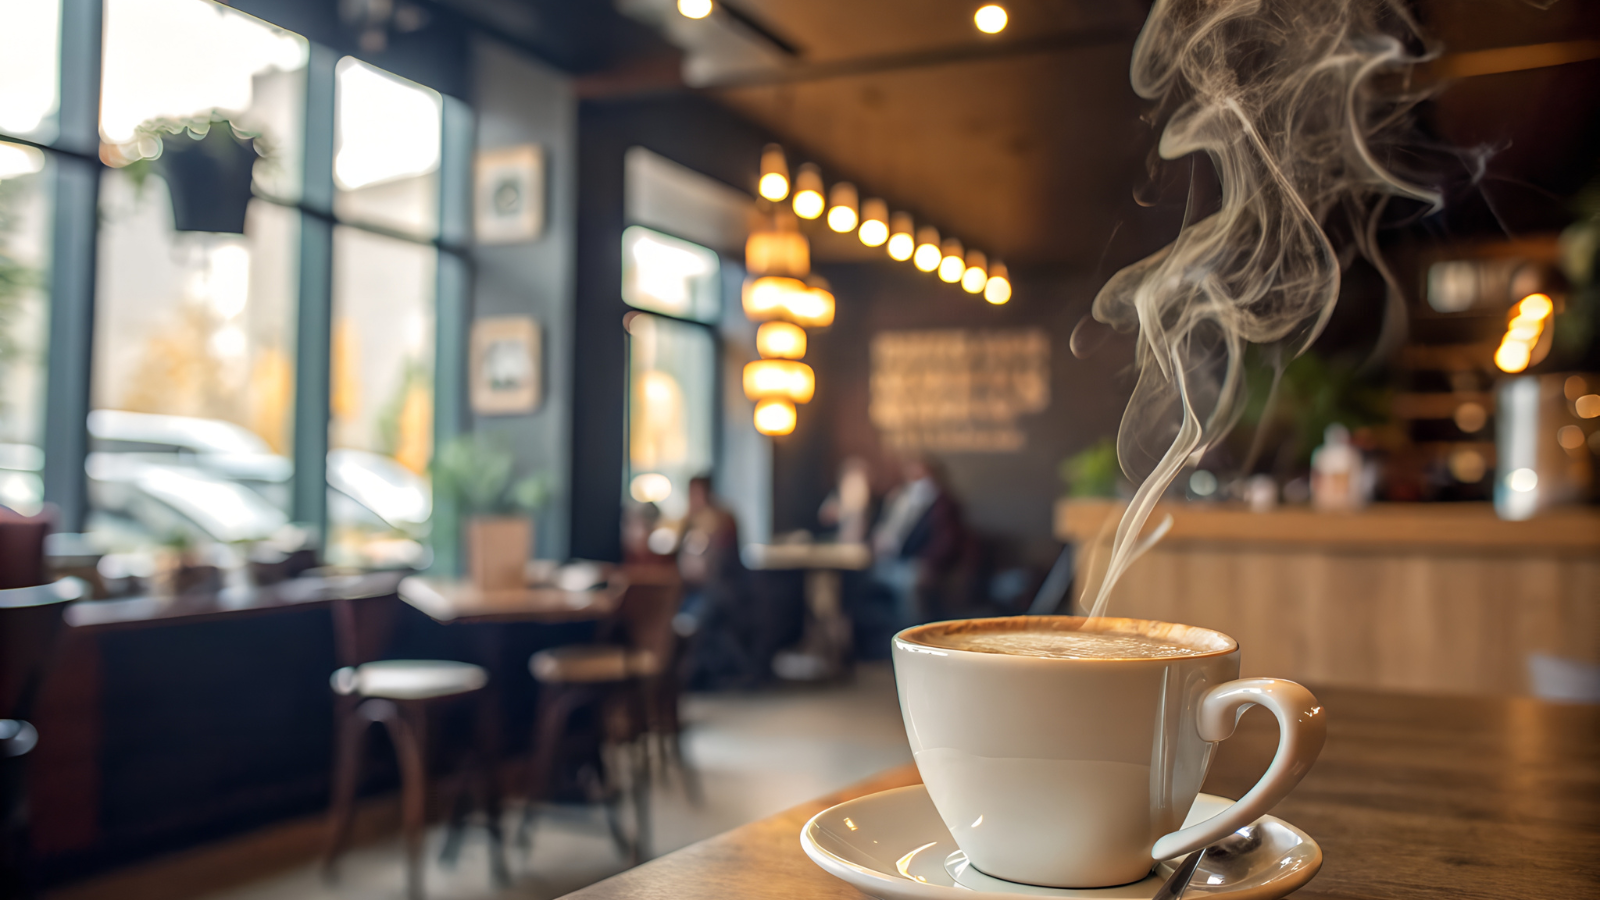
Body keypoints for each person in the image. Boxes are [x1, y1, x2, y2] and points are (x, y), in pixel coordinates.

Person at [674, 475, 757, 687]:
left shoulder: (721, 520)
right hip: (697, 590)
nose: (693, 499)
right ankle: (685, 675)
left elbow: (713, 567)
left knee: (696, 614)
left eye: (697, 493)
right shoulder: (690, 522)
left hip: (725, 590)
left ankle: (693, 675)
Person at [869, 455, 966, 627]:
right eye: (913, 476)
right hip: (896, 561)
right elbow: (890, 533)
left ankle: (912, 631)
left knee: (910, 583)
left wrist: (928, 564)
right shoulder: (903, 501)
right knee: (864, 577)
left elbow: (947, 544)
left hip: (926, 565)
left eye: (921, 476)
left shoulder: (944, 505)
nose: (916, 482)